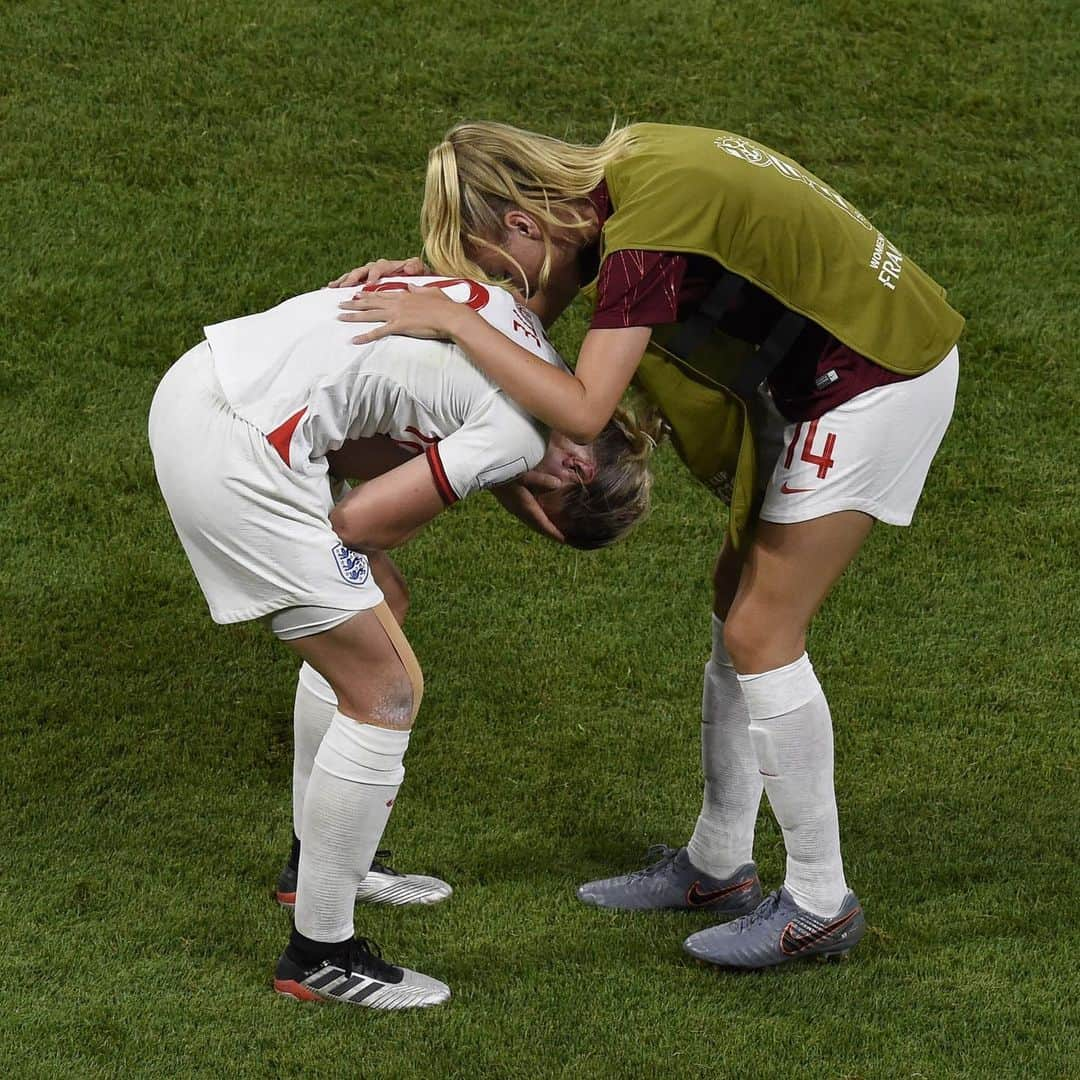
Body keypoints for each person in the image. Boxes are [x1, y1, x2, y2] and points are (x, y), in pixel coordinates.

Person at [330, 120, 963, 969]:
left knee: (761, 631)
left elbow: (583, 409)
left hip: (878, 379)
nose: (501, 284)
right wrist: (435, 288)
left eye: (493, 262)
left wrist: (451, 318)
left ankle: (819, 902)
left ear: (525, 222)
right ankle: (716, 864)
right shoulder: (637, 169)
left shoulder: (646, 232)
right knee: (734, 605)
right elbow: (539, 310)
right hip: (847, 357)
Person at [148, 276, 656, 1009]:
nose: (523, 501)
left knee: (383, 599)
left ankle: (317, 869)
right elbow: (356, 522)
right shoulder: (519, 434)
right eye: (541, 508)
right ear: (575, 466)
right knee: (387, 690)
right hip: (236, 445)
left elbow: (365, 439)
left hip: (215, 376)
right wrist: (491, 479)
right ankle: (320, 955)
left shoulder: (516, 330)